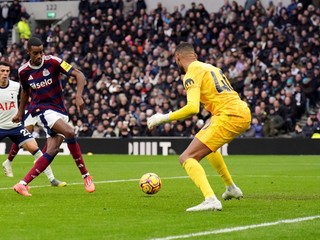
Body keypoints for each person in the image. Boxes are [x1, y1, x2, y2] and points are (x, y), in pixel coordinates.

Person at [147, 42, 251, 212]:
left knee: (187, 157)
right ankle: (231, 187)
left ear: (177, 58)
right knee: (208, 146)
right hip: (241, 111)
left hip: (228, 115)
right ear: (194, 56)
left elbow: (192, 108)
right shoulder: (211, 68)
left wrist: (162, 118)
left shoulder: (191, 73)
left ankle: (210, 199)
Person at [12, 37, 95, 196]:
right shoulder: (23, 71)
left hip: (60, 110)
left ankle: (22, 184)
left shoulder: (54, 62)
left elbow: (79, 75)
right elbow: (25, 92)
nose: (39, 56)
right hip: (41, 110)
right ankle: (86, 175)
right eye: (35, 53)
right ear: (28, 52)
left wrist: (78, 96)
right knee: (70, 132)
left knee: (53, 149)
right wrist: (20, 112)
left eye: (41, 52)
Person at [0, 61, 66, 187]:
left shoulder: (16, 86)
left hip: (16, 127)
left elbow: (26, 97)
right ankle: (8, 162)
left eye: (7, 71)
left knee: (37, 151)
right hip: (0, 127)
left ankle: (52, 179)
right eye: (2, 71)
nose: (5, 74)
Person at [2, 101, 67, 187]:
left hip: (42, 110)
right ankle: (9, 161)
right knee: (24, 137)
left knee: (50, 134)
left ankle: (52, 179)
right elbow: (26, 95)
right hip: (31, 111)